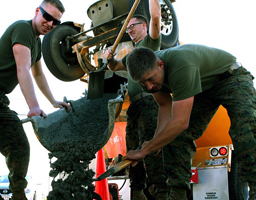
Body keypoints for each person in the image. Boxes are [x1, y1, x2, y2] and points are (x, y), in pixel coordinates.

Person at [0, 1, 70, 199]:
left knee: (19, 147)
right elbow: (22, 68)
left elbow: (39, 74)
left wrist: (52, 101)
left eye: (56, 22)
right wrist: (33, 106)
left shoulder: (37, 42)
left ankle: (18, 195)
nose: (50, 24)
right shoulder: (22, 28)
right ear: (37, 11)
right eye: (47, 17)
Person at [124, 44, 256, 200]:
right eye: (143, 83)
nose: (149, 86)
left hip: (230, 78)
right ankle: (177, 195)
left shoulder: (181, 65)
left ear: (161, 65)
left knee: (245, 128)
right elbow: (165, 106)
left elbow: (180, 122)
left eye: (151, 79)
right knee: (174, 136)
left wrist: (143, 151)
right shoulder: (148, 77)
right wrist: (155, 143)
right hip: (202, 89)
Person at [104, 0, 169, 199]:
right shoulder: (132, 55)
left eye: (133, 26)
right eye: (128, 28)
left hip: (150, 104)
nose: (130, 30)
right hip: (135, 108)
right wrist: (109, 58)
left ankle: (160, 193)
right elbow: (114, 67)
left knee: (150, 149)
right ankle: (137, 191)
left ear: (144, 26)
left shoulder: (150, 44)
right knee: (132, 152)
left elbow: (156, 17)